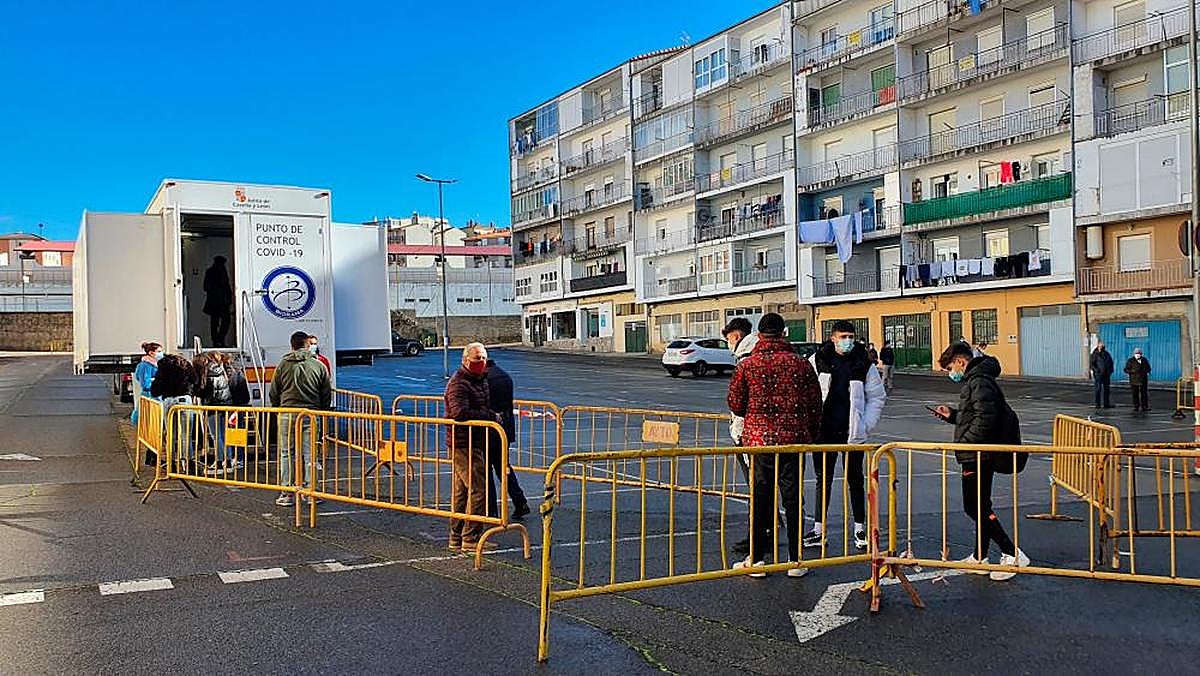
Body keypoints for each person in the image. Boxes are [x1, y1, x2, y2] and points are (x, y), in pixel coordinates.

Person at [727, 313, 823, 578]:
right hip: (793, 441)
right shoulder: (801, 364)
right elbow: (815, 403)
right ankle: (795, 560)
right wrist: (810, 434)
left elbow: (736, 403)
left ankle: (757, 560)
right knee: (792, 499)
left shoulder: (748, 365)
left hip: (759, 441)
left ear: (759, 335)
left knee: (761, 498)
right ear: (783, 333)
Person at [930, 342, 1029, 581]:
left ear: (961, 361)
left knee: (974, 507)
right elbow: (976, 415)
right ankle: (980, 556)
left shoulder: (979, 382)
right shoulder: (978, 380)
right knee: (980, 505)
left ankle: (1011, 553)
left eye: (950, 368)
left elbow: (986, 420)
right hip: (978, 453)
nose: (950, 373)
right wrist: (952, 416)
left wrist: (966, 442)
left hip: (978, 455)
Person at [805, 320, 887, 551]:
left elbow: (877, 397)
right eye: (843, 336)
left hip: (852, 432)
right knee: (823, 479)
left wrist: (865, 425)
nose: (847, 341)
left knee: (855, 480)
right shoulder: (817, 360)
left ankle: (860, 529)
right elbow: (806, 393)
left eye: (850, 336)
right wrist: (811, 422)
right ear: (833, 338)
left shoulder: (863, 362)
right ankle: (818, 530)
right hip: (824, 431)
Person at [446, 343, 504, 552]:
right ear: (465, 360)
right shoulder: (459, 383)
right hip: (464, 443)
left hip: (474, 441)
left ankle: (457, 537)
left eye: (484, 357)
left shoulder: (479, 379)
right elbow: (459, 413)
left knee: (462, 492)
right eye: (477, 358)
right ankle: (470, 538)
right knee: (479, 489)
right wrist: (490, 417)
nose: (481, 361)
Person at [270, 331, 333, 507]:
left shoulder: (283, 365)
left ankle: (287, 492)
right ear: (307, 345)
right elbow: (326, 393)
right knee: (310, 454)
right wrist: (322, 411)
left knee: (286, 453)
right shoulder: (318, 365)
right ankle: (310, 492)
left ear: (292, 346)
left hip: (287, 413)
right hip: (311, 414)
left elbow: (274, 391)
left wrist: (277, 409)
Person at [721, 316, 760, 555]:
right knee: (775, 485)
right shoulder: (760, 354)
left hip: (750, 432)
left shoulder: (747, 360)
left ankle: (759, 535)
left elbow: (738, 402)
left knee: (756, 486)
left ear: (736, 336)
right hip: (773, 432)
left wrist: (738, 430)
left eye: (729, 339)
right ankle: (773, 526)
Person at [484, 356, 530, 519]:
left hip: (489, 429)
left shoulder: (485, 378)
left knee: (486, 470)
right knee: (504, 467)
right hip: (505, 429)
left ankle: (490, 509)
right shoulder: (504, 375)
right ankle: (520, 501)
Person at [194, 352, 249, 476]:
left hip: (214, 407)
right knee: (225, 435)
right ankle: (229, 460)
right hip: (227, 406)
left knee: (216, 436)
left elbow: (207, 393)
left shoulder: (209, 374)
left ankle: (220, 461)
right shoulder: (220, 371)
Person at [149, 353, 198, 472]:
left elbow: (155, 390)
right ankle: (189, 464)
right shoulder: (186, 365)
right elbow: (195, 380)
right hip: (184, 399)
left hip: (168, 401)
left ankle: (171, 463)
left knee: (171, 434)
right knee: (186, 434)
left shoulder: (163, 368)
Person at [202, 256, 233, 348]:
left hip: (218, 301)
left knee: (218, 322)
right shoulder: (215, 272)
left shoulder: (216, 271)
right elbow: (206, 287)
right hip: (218, 301)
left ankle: (218, 340)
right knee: (219, 322)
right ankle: (218, 340)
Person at [131, 341, 162, 425]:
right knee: (147, 419)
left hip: (155, 394)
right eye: (159, 351)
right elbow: (145, 383)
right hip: (150, 395)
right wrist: (157, 381)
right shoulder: (145, 365)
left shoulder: (156, 364)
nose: (161, 354)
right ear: (151, 353)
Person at [1089, 341, 1114, 410]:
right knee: (1098, 389)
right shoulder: (1095, 354)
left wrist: (1110, 371)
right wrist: (1097, 370)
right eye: (1100, 346)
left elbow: (1111, 362)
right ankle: (1098, 404)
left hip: (1106, 375)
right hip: (1098, 375)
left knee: (1106, 390)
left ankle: (1106, 404)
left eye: (1102, 346)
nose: (1101, 347)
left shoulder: (1106, 354)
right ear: (1098, 346)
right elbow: (1092, 364)